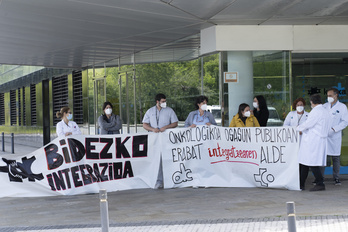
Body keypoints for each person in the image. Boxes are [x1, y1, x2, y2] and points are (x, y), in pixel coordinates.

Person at [142, 93, 179, 189]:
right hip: (154, 139)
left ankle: (169, 181)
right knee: (156, 160)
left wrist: (166, 127)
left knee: (167, 159)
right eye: (162, 101)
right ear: (157, 102)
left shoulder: (169, 111)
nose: (164, 103)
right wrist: (152, 129)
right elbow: (145, 124)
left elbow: (175, 123)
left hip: (166, 138)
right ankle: (158, 181)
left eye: (165, 101)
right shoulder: (150, 111)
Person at [297, 94, 331, 191]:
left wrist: (297, 128)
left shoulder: (316, 112)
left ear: (312, 102)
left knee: (311, 162)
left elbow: (308, 124)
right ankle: (301, 183)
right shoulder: (325, 111)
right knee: (305, 162)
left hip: (313, 140)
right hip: (318, 140)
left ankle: (320, 183)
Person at [323, 88, 348, 185]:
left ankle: (336, 178)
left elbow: (345, 122)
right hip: (325, 135)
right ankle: (320, 178)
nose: (328, 97)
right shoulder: (324, 106)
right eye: (327, 96)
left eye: (330, 95)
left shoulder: (342, 107)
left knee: (335, 158)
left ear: (336, 95)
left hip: (335, 135)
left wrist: (334, 129)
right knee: (323, 157)